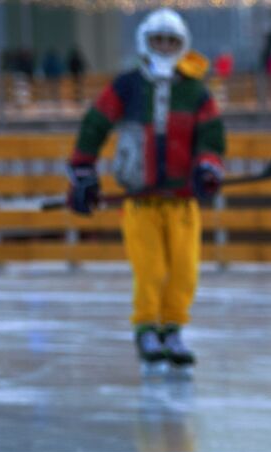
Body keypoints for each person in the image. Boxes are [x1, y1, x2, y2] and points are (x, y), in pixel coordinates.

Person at [65, 9, 225, 373]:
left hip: (182, 202)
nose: (165, 47)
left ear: (182, 45)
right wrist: (83, 170)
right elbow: (95, 124)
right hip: (140, 201)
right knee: (150, 270)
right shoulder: (127, 86)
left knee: (184, 271)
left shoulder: (196, 92)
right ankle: (147, 328)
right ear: (145, 42)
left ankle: (173, 328)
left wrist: (208, 167)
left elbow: (211, 137)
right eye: (158, 40)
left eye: (171, 41)